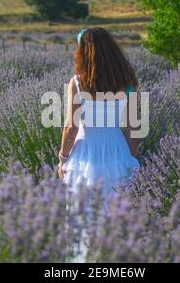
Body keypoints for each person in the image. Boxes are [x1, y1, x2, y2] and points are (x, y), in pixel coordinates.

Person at [58, 27, 141, 205]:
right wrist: (130, 158)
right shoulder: (128, 82)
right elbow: (133, 127)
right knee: (117, 213)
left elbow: (71, 127)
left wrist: (62, 159)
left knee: (84, 215)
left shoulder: (78, 83)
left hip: (85, 154)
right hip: (117, 149)